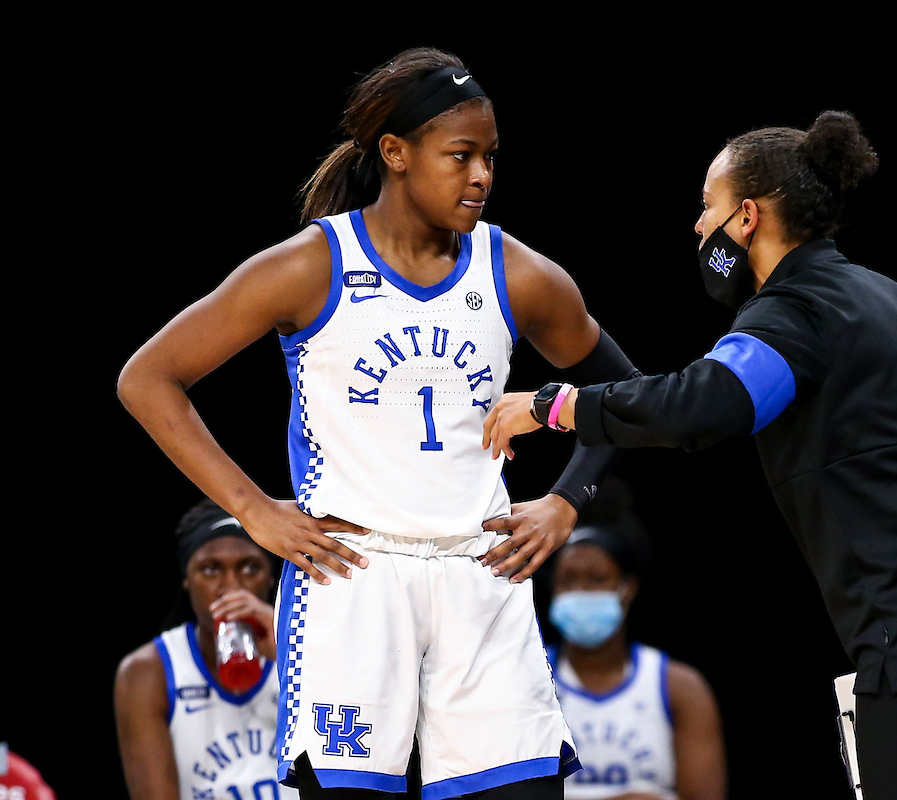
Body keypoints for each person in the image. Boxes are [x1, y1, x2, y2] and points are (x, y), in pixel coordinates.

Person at [482, 110, 897, 800]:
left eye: (708, 208)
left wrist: (557, 405)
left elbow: (704, 405)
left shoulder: (794, 311)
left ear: (747, 218)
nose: (699, 229)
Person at [117, 47, 640, 799]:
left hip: (478, 571)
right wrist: (253, 511)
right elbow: (148, 379)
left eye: (490, 156)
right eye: (461, 156)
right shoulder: (313, 264)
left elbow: (623, 388)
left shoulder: (517, 272)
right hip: (353, 578)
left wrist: (566, 502)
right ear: (395, 154)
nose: (482, 176)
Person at [543, 481, 726, 800]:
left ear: (627, 588)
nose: (581, 592)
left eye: (597, 579)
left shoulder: (679, 689)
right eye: (568, 580)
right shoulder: (527, 683)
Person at [114, 498, 298, 800]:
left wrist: (290, 652)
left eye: (250, 567)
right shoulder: (149, 671)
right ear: (187, 579)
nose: (231, 587)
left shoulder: (303, 651)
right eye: (211, 570)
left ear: (271, 578)